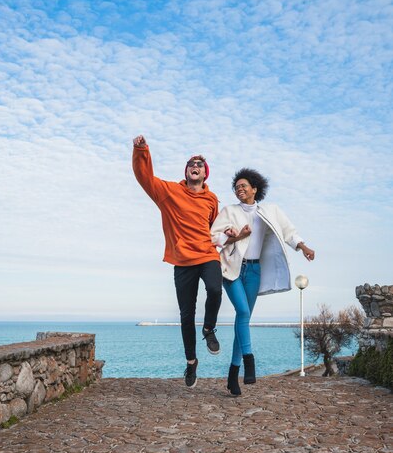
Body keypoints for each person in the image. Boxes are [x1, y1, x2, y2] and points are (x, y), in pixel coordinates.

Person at [211, 168, 315, 396]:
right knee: (243, 312)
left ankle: (232, 374)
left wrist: (303, 247)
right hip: (231, 268)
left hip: (255, 270)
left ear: (255, 189)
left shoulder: (271, 210)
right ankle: (249, 360)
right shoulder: (229, 211)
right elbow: (213, 237)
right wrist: (234, 234)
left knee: (243, 318)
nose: (239, 190)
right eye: (236, 187)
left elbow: (289, 232)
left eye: (243, 186)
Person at [132, 135, 222, 388]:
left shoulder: (212, 199)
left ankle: (209, 329)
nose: (195, 166)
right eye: (191, 163)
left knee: (215, 289)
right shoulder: (169, 192)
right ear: (186, 171)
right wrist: (141, 150)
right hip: (182, 260)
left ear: (206, 173)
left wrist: (229, 235)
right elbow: (145, 178)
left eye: (200, 164)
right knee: (186, 314)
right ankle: (191, 362)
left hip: (207, 254)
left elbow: (214, 226)